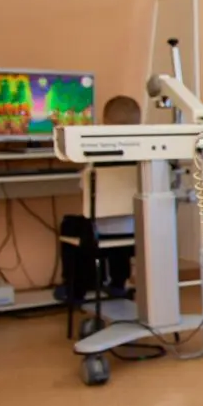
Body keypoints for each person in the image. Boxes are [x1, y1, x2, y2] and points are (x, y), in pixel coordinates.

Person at [56, 95, 142, 303]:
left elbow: (85, 197)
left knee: (71, 225)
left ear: (105, 122)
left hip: (98, 235)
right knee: (121, 221)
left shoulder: (96, 158)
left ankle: (75, 289)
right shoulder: (143, 157)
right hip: (139, 233)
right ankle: (118, 283)